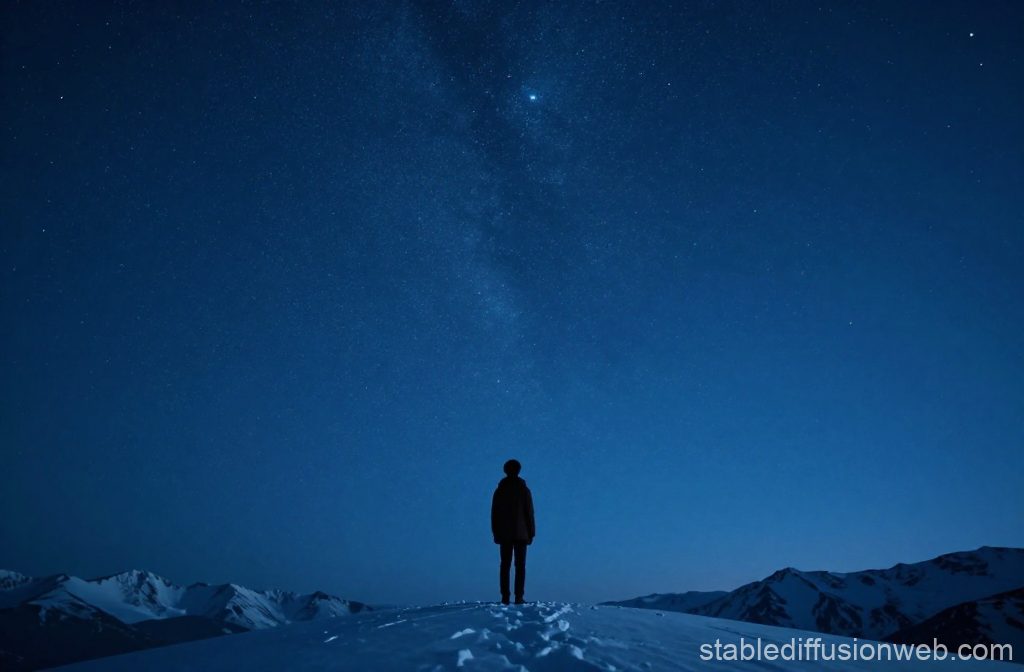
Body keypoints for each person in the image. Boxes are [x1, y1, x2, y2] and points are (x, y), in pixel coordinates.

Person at [490, 459, 535, 605]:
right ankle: (518, 597)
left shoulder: (500, 490)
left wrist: (495, 532)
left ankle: (505, 597)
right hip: (521, 534)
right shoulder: (524, 490)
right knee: (520, 565)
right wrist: (531, 532)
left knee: (505, 565)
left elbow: (494, 514)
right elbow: (529, 513)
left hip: (504, 534)